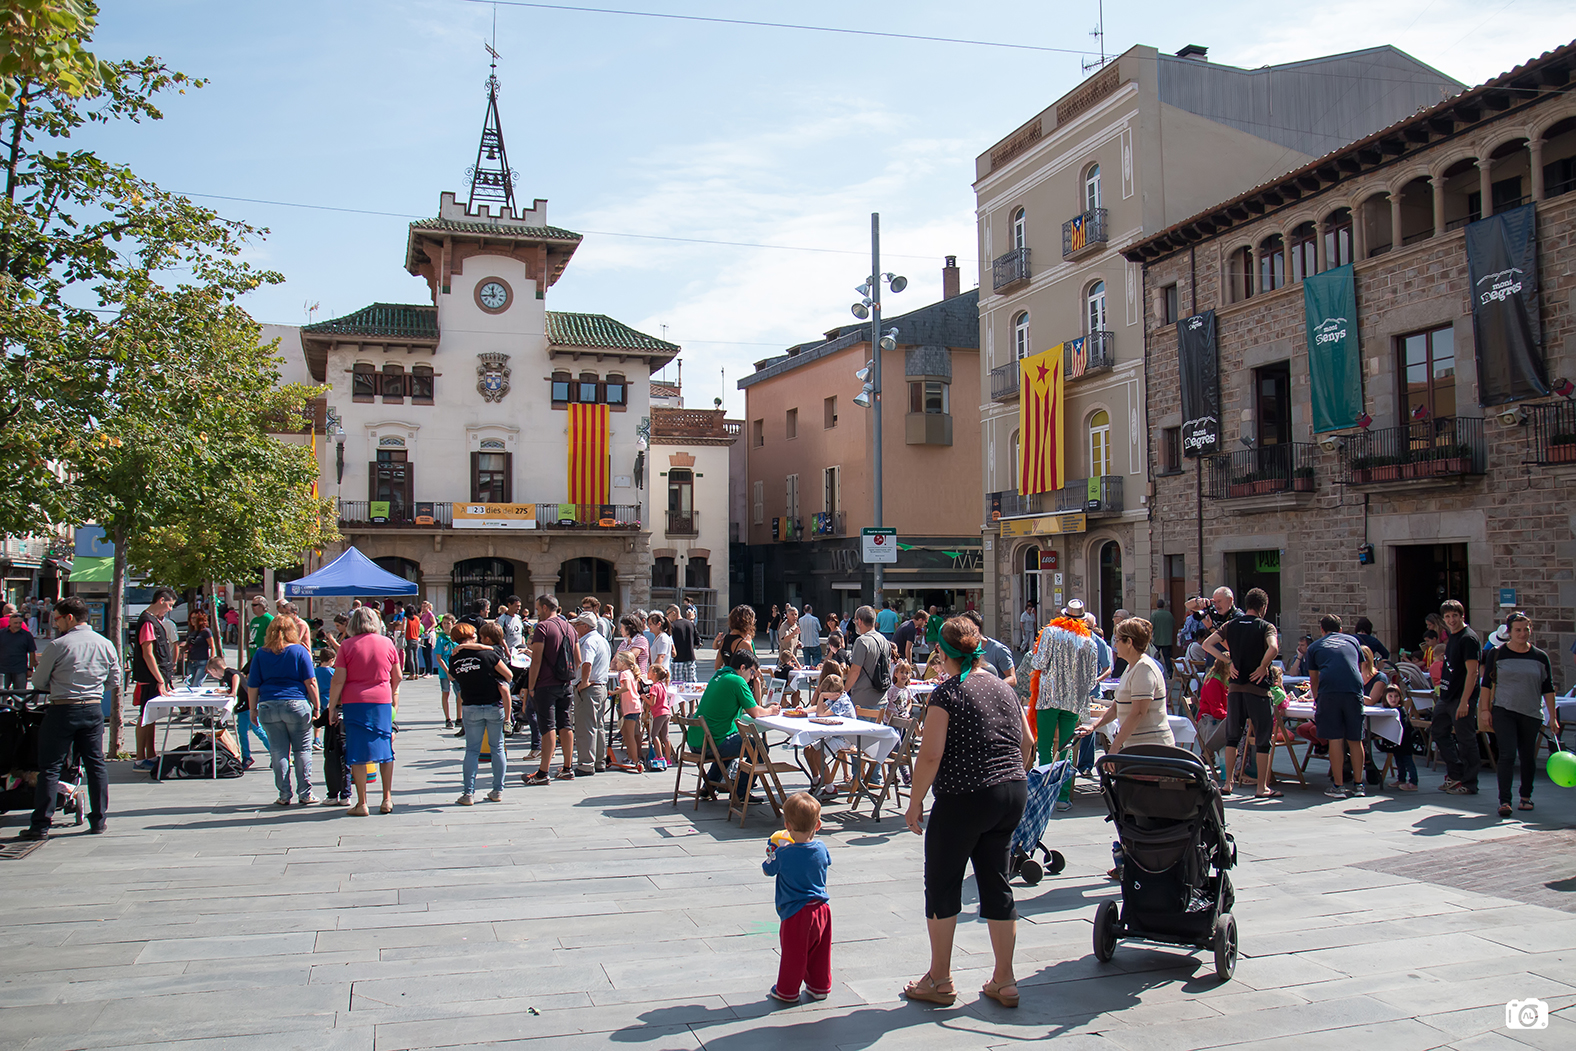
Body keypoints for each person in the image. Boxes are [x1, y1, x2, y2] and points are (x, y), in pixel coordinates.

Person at [902, 616, 1033, 1009]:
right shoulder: (1001, 686)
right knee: (996, 881)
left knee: (942, 882)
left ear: (942, 653)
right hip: (1012, 791)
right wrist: (1010, 774)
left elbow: (930, 754)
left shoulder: (945, 693)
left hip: (965, 795)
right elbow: (1027, 741)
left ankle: (939, 979)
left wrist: (914, 801)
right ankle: (1005, 980)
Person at [15, 598, 116, 840]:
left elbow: (38, 682)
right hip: (92, 709)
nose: (56, 623)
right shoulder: (105, 644)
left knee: (50, 767)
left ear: (69, 617)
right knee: (95, 764)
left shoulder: (59, 645)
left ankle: (41, 824)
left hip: (63, 708)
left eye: (57, 618)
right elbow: (114, 680)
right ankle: (99, 819)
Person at [1201, 588, 1280, 799]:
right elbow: (1273, 648)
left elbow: (1207, 644)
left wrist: (1228, 660)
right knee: (1263, 738)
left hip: (1235, 688)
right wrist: (1264, 666)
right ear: (1263, 607)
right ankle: (1261, 787)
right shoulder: (1266, 626)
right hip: (1258, 689)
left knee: (1232, 737)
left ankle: (1228, 783)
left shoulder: (1231, 625)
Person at [1479, 612, 1560, 817]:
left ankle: (1526, 796)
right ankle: (1505, 800)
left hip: (1531, 713)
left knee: (1527, 756)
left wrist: (1553, 717)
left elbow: (1548, 688)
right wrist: (1485, 710)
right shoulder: (1497, 654)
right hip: (1504, 711)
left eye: (1526, 629)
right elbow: (1486, 685)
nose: (1522, 633)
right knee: (1507, 754)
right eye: (1518, 630)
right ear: (1509, 632)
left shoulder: (1540, 657)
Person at [328, 606, 402, 816]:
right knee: (386, 749)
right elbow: (397, 675)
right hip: (381, 701)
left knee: (357, 751)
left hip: (355, 702)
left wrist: (332, 706)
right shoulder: (387, 643)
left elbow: (338, 679)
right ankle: (387, 798)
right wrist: (392, 694)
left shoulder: (347, 645)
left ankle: (362, 802)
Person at [763, 791, 834, 1004]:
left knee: (793, 954)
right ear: (818, 825)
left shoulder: (784, 855)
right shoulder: (821, 848)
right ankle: (820, 986)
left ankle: (786, 990)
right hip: (822, 909)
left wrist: (773, 852)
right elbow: (826, 862)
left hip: (796, 912)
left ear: (788, 826)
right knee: (820, 952)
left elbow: (767, 869)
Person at [1029, 607, 1100, 807]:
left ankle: (1045, 793)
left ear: (1064, 616)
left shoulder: (1050, 632)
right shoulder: (1089, 642)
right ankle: (1063, 796)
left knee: (1045, 747)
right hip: (1073, 702)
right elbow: (1092, 679)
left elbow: (1039, 662)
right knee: (1066, 749)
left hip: (1048, 698)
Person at [689, 649, 780, 802]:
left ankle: (709, 786)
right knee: (758, 746)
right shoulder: (737, 681)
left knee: (734, 743)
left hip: (696, 740)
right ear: (743, 668)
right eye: (752, 672)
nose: (751, 677)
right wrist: (771, 710)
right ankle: (741, 792)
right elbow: (756, 712)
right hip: (712, 743)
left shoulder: (718, 676)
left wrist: (757, 687)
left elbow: (749, 707)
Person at [247, 616, 320, 806]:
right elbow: (310, 682)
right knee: (302, 749)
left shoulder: (261, 654)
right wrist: (317, 707)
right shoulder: (299, 651)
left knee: (278, 751)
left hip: (268, 705)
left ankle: (284, 794)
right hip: (296, 704)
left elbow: (253, 685)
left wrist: (252, 709)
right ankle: (305, 793)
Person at [1084, 617, 1175, 755]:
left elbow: (1138, 712)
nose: (1114, 645)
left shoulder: (1144, 669)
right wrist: (1092, 727)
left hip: (1152, 748)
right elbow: (1116, 708)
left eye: (1117, 640)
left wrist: (1115, 746)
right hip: (1137, 748)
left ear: (1129, 642)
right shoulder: (1131, 667)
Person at [447, 621, 512, 805]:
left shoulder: (455, 657)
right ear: (472, 635)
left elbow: (452, 676)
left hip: (470, 706)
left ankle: (468, 793)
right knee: (497, 747)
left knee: (472, 750)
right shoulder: (488, 653)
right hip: (493, 704)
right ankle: (498, 790)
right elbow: (508, 674)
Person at [1305, 614, 1368, 799]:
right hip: (1353, 690)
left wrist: (1317, 700)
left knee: (1335, 739)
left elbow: (1314, 680)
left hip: (1330, 691)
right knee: (1356, 739)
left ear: (1322, 630)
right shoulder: (1353, 640)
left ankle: (1338, 786)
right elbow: (1360, 667)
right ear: (1341, 629)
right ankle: (1359, 785)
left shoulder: (1315, 646)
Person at [524, 595, 579, 785]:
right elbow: (577, 659)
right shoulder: (570, 628)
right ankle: (567, 767)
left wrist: (531, 686)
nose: (537, 613)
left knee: (547, 726)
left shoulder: (543, 627)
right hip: (566, 683)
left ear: (546, 608)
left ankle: (543, 772)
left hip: (545, 684)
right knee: (565, 723)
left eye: (538, 609)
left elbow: (536, 659)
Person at [1435, 600, 1482, 796]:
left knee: (1466, 740)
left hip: (1461, 699)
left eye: (1454, 615)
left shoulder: (1468, 639)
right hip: (1446, 697)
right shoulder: (1452, 637)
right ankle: (1456, 774)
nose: (1451, 620)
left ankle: (1470, 783)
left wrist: (1465, 701)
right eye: (1447, 616)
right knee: (1438, 732)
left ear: (1462, 616)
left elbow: (1473, 672)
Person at [130, 587, 178, 771]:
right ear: (161, 600)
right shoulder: (147, 621)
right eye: (170, 605)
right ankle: (140, 758)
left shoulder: (154, 621)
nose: (170, 609)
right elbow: (148, 654)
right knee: (145, 716)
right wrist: (159, 679)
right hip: (148, 678)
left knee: (151, 717)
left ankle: (150, 754)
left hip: (154, 677)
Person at [571, 612, 612, 776]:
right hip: (600, 686)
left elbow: (586, 662)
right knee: (598, 725)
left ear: (585, 626)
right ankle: (599, 761)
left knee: (585, 726)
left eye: (578, 624)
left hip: (589, 687)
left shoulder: (588, 641)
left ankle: (586, 764)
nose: (575, 627)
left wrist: (584, 681)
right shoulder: (601, 640)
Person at [208, 656, 266, 770]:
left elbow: (236, 677)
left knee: (258, 730)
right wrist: (225, 691)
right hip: (243, 707)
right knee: (242, 732)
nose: (212, 676)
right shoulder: (228, 674)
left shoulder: (229, 672)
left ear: (215, 670)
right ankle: (246, 756)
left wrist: (233, 692)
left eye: (211, 673)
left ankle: (275, 754)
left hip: (249, 705)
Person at [803, 674, 856, 798]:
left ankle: (830, 788)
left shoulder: (843, 701)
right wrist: (805, 710)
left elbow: (821, 713)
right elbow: (820, 707)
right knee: (808, 750)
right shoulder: (835, 698)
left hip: (845, 738)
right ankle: (816, 781)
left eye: (827, 694)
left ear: (836, 693)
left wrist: (821, 696)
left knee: (818, 756)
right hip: (835, 734)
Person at [844, 606, 892, 713]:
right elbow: (888, 667)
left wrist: (844, 691)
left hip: (863, 700)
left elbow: (855, 671)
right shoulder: (884, 640)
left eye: (855, 620)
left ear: (860, 621)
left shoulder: (861, 641)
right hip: (881, 698)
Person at [610, 650, 646, 773]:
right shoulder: (631, 673)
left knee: (629, 735)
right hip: (634, 706)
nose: (616, 664)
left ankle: (635, 760)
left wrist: (614, 692)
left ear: (623, 662)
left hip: (630, 707)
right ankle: (631, 756)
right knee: (627, 733)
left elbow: (626, 688)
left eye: (618, 662)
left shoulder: (624, 673)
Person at [1380, 683, 1419, 792]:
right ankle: (1401, 779)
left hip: (1404, 741)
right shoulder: (1388, 710)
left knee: (1408, 761)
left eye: (1396, 696)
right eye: (1390, 696)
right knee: (1398, 761)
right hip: (1396, 741)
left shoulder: (1400, 710)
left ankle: (1413, 782)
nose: (1393, 699)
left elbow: (1405, 726)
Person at [963, 611, 1016, 687]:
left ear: (975, 629)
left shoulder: (998, 650)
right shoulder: (962, 650)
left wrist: (992, 687)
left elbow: (1012, 679)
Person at [0, 608, 39, 690]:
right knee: (2, 694)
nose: (17, 625)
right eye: (15, 623)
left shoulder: (26, 635)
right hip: (3, 669)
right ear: (9, 622)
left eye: (20, 623)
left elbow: (32, 652)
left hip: (20, 669)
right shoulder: (2, 634)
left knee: (20, 694)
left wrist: (30, 668)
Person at [433, 615, 457, 729]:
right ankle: (447, 718)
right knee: (445, 693)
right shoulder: (441, 639)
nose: (447, 625)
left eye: (449, 623)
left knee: (460, 694)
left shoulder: (456, 638)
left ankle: (460, 717)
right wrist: (447, 671)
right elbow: (439, 657)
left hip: (457, 670)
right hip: (444, 671)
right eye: (445, 623)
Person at [647, 664, 674, 766]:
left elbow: (652, 703)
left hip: (659, 713)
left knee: (654, 735)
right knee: (665, 737)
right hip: (667, 712)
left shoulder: (654, 687)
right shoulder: (662, 685)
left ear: (654, 674)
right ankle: (668, 759)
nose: (647, 673)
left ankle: (659, 756)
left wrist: (644, 697)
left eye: (649, 671)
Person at [183, 612, 215, 689]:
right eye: (191, 618)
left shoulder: (205, 631)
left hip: (202, 662)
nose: (192, 620)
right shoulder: (190, 632)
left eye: (195, 618)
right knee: (190, 686)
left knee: (196, 685)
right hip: (191, 662)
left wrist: (210, 662)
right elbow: (188, 645)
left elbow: (212, 646)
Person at [668, 604, 698, 684]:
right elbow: (697, 642)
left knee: (678, 685)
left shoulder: (672, 626)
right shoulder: (690, 624)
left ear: (673, 613)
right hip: (690, 659)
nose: (668, 617)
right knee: (691, 685)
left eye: (668, 614)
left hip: (677, 660)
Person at [615, 613, 651, 678]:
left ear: (629, 628)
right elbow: (615, 660)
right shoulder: (624, 642)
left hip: (637, 678)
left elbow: (629, 658)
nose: (620, 630)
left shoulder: (641, 640)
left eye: (622, 627)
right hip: (625, 677)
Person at [1149, 599, 1175, 671]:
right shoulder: (1169, 615)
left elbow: (1150, 627)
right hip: (1167, 639)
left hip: (1157, 639)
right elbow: (1173, 624)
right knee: (1167, 657)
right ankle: (1170, 672)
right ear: (1164, 605)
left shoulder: (1154, 615)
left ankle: (1154, 670)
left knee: (1155, 657)